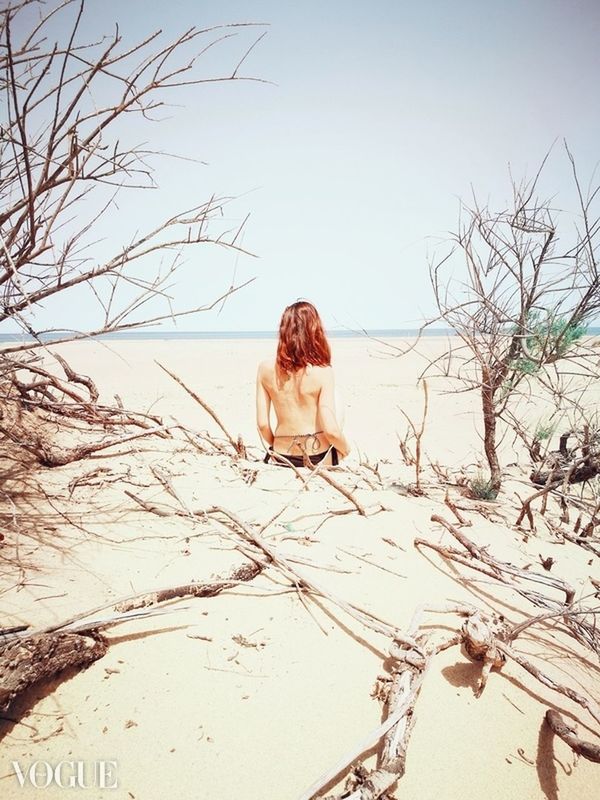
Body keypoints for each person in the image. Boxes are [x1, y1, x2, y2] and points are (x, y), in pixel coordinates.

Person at [256, 301, 350, 468]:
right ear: (315, 332)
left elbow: (263, 425)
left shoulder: (264, 369)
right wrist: (346, 450)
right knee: (336, 395)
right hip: (316, 455)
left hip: (281, 455)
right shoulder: (323, 372)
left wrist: (277, 445)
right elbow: (331, 431)